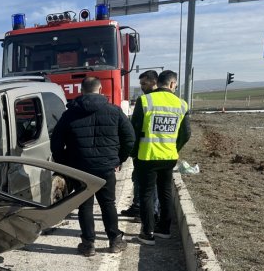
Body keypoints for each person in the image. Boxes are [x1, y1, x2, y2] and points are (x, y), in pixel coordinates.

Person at [51, 77, 135, 256]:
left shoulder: (69, 114)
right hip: (106, 168)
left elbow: (56, 143)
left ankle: (88, 245)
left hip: (80, 169)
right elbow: (130, 138)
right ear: (100, 89)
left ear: (81, 90)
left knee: (84, 205)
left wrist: (66, 164)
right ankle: (115, 241)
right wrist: (118, 159)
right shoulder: (114, 111)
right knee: (108, 204)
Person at [131, 70, 191, 245]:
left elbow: (134, 130)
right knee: (165, 192)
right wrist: (174, 147)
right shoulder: (181, 104)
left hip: (147, 156)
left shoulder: (145, 100)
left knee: (146, 193)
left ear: (158, 83)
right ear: (172, 84)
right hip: (169, 156)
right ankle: (164, 229)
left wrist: (133, 153)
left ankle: (148, 232)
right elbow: (186, 133)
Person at [121, 70, 160, 219]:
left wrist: (132, 150)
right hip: (156, 150)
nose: (142, 87)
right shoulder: (161, 100)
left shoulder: (145, 101)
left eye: (144, 83)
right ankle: (138, 207)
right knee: (138, 179)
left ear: (154, 82)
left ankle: (151, 213)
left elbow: (135, 128)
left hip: (147, 151)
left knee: (149, 184)